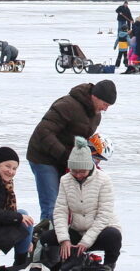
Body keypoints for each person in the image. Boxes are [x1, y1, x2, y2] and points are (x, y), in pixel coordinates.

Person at [26, 80, 116, 222]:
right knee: (52, 205)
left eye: (108, 106)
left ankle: (66, 234)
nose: (105, 109)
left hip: (66, 160)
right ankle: (46, 234)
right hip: (43, 157)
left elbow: (80, 139)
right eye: (105, 104)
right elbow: (43, 132)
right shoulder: (67, 105)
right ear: (95, 96)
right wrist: (66, 156)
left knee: (69, 204)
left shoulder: (96, 116)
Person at [40, 138, 122, 271]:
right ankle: (67, 259)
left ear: (89, 166)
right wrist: (64, 239)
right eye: (74, 171)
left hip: (99, 231)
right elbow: (60, 211)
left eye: (82, 171)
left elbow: (104, 215)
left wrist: (85, 242)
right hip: (77, 230)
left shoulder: (104, 180)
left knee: (114, 235)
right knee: (47, 237)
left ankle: (109, 264)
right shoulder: (65, 180)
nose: (78, 175)